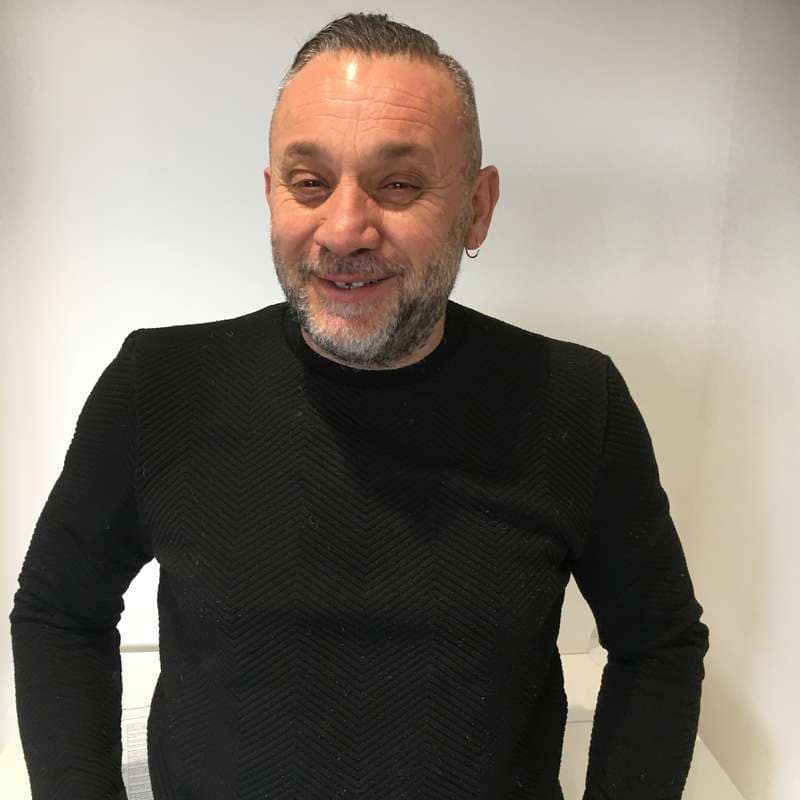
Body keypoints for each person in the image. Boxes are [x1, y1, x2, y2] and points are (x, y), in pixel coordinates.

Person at [9, 12, 710, 800]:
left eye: (399, 184)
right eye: (310, 182)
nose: (343, 230)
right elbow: (59, 612)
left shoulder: (576, 402)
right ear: (271, 195)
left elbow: (659, 644)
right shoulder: (161, 386)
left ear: (477, 207)